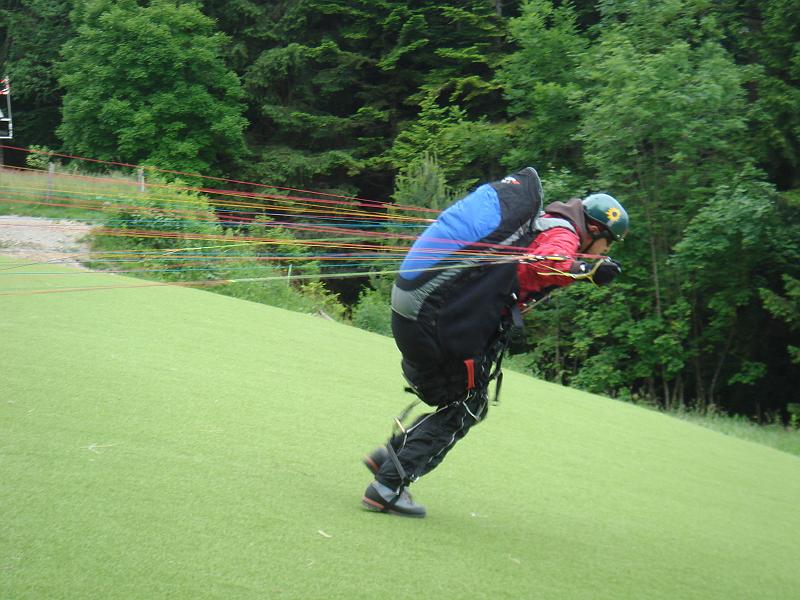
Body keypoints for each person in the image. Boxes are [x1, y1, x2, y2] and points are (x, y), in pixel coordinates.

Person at [361, 167, 629, 517]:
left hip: (431, 316)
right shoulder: (563, 234)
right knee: (468, 406)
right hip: (443, 322)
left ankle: (390, 458)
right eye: (606, 245)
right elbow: (547, 265)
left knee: (464, 401)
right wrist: (588, 270)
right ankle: (388, 485)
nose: (602, 252)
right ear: (595, 230)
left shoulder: (547, 223)